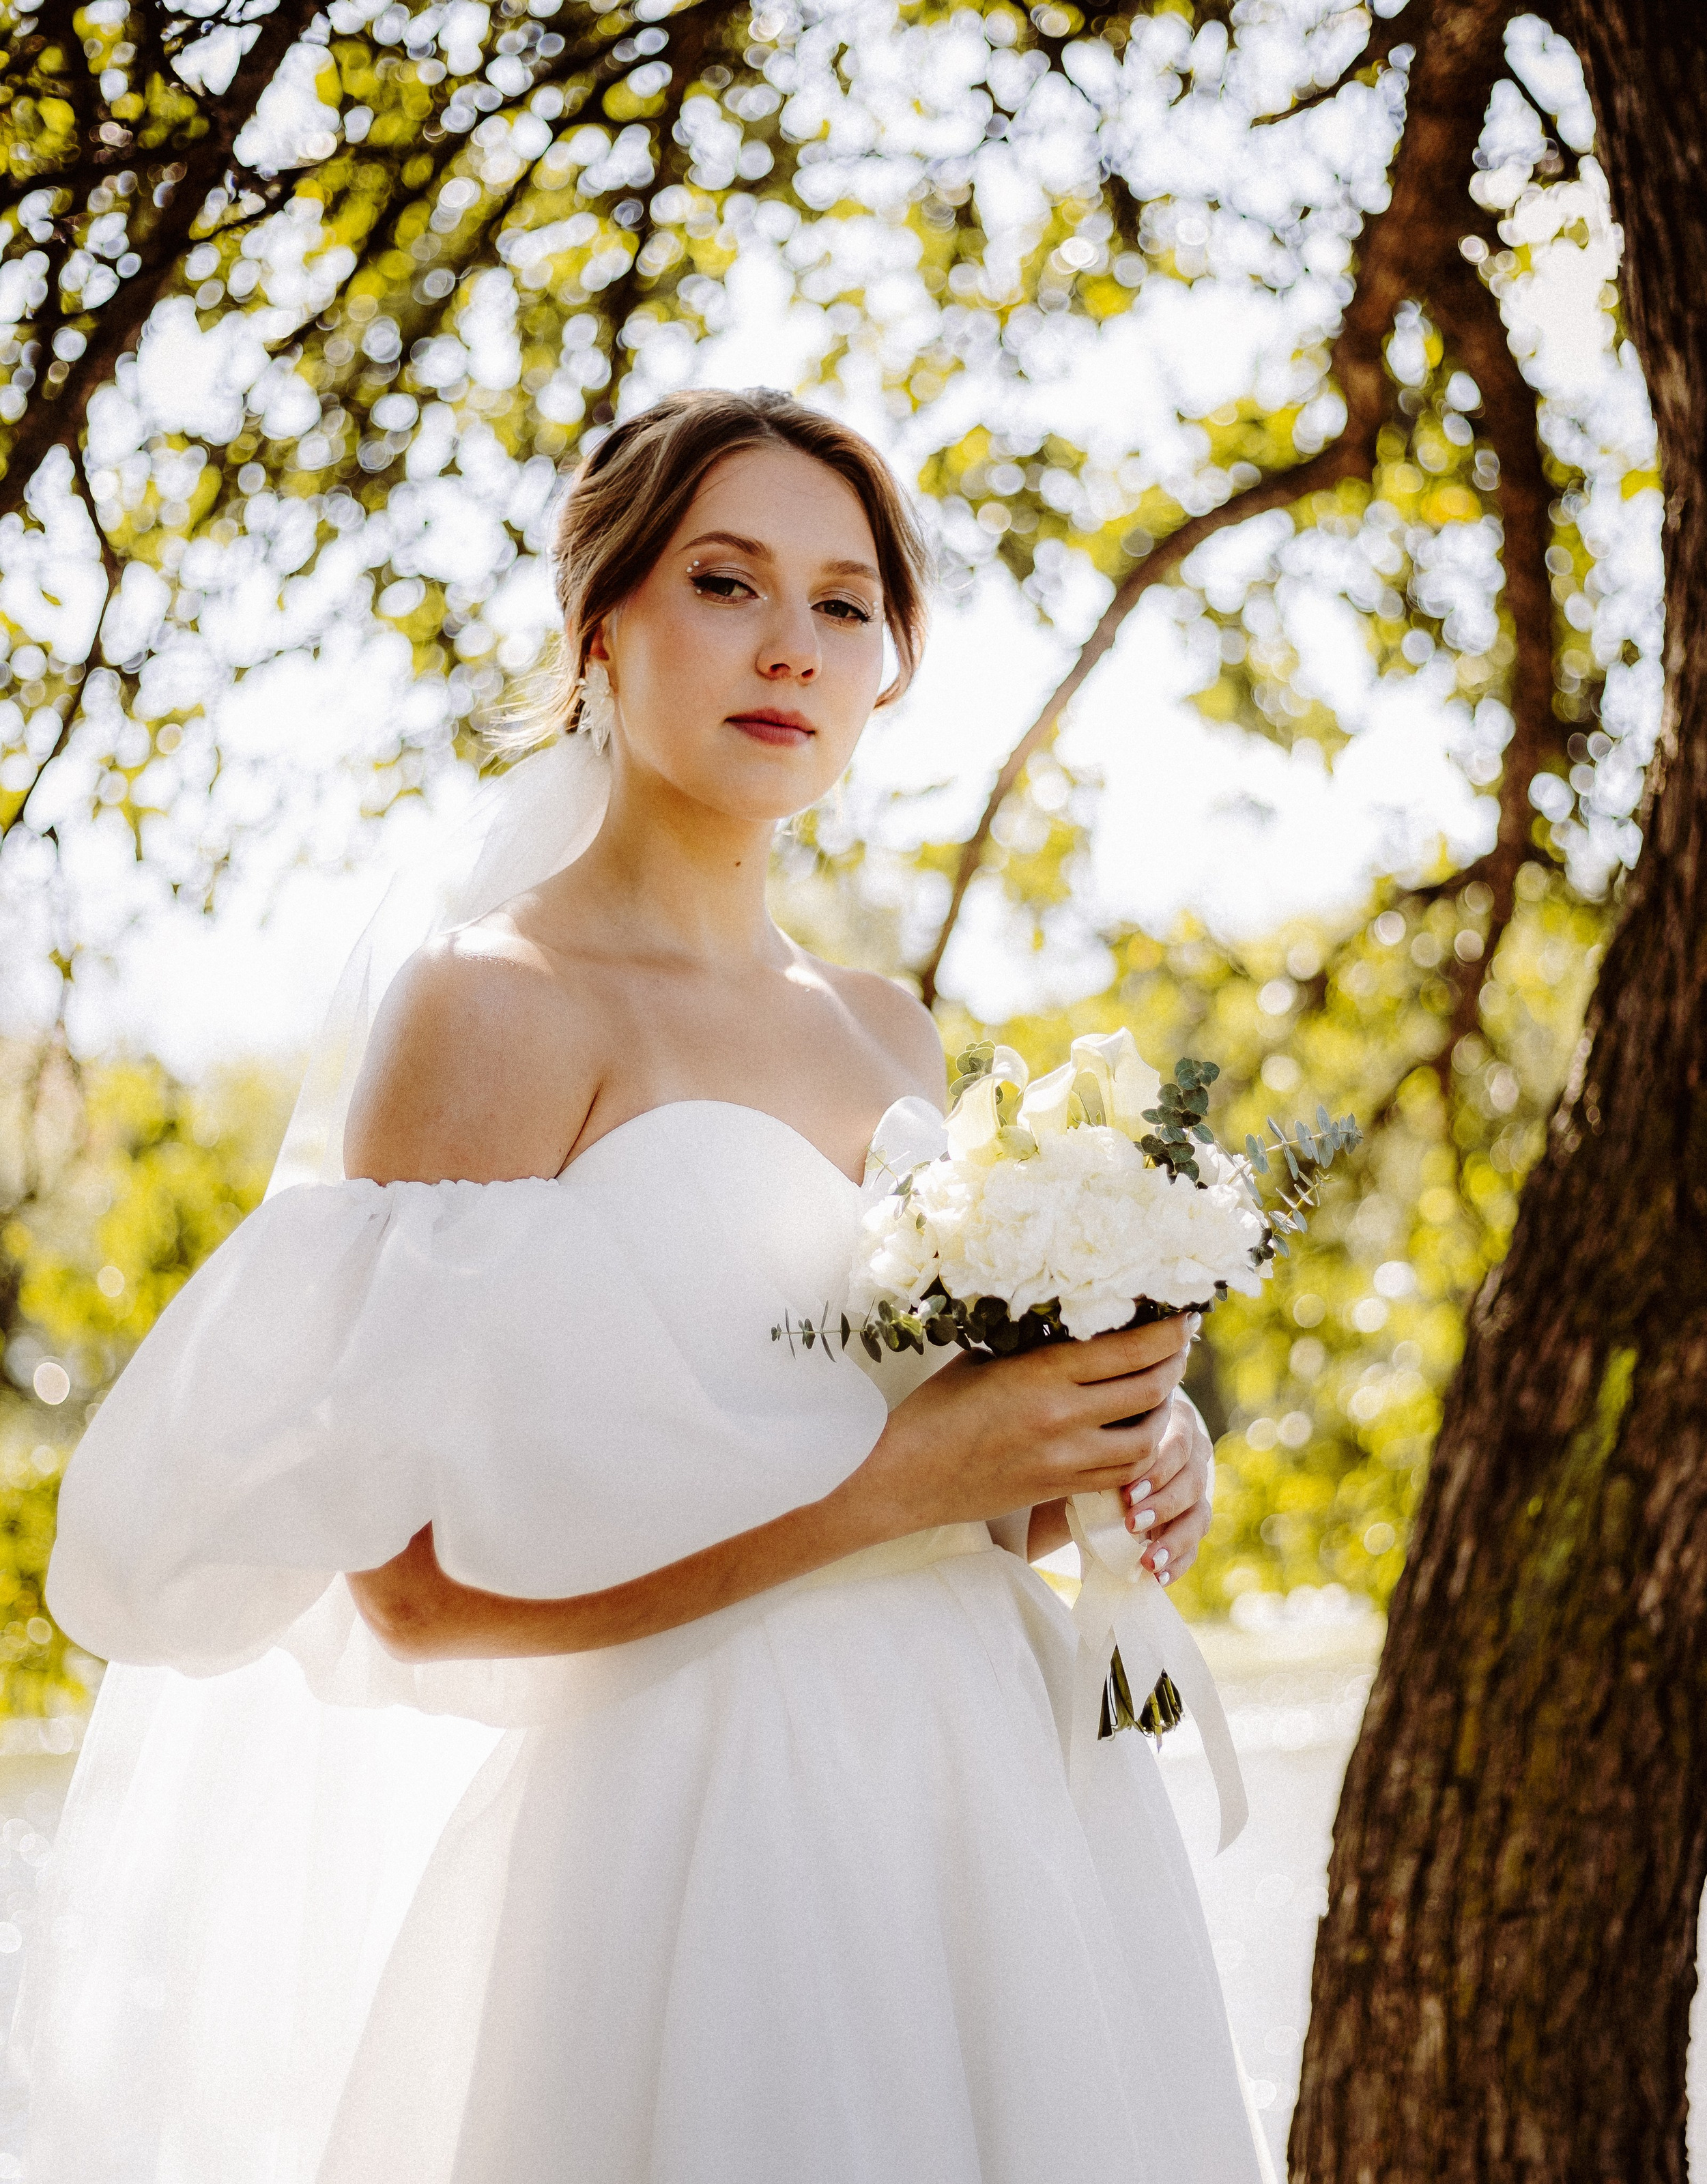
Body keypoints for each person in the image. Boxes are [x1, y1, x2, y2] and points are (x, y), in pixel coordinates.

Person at [26, 388, 1273, 2182]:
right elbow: (416, 1601)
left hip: (1003, 1809)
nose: (793, 647)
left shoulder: (889, 1029)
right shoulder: (495, 1007)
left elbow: (965, 1502)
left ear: (888, 667)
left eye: (846, 604)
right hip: (708, 1844)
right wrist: (890, 1492)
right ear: (600, 625)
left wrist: (1102, 1459)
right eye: (726, 582)